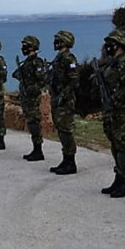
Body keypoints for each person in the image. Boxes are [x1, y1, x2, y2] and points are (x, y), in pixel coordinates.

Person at [96, 29, 125, 198]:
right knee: (115, 146)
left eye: (111, 44)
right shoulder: (112, 63)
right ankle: (119, 178)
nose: (108, 47)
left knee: (123, 147)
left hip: (122, 112)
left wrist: (115, 98)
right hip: (112, 111)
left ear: (120, 45)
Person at [48, 30, 80, 175]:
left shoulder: (69, 58)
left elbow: (74, 80)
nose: (55, 43)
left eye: (58, 40)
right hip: (57, 99)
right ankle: (66, 160)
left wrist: (63, 95)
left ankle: (70, 162)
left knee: (66, 130)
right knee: (61, 129)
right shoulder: (59, 58)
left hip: (65, 101)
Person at [13, 35, 48, 161]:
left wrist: (32, 88)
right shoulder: (27, 62)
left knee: (34, 123)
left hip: (32, 97)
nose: (23, 49)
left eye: (25, 46)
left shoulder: (37, 62)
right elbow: (16, 74)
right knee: (31, 122)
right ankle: (35, 149)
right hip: (26, 97)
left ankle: (38, 150)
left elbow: (42, 79)